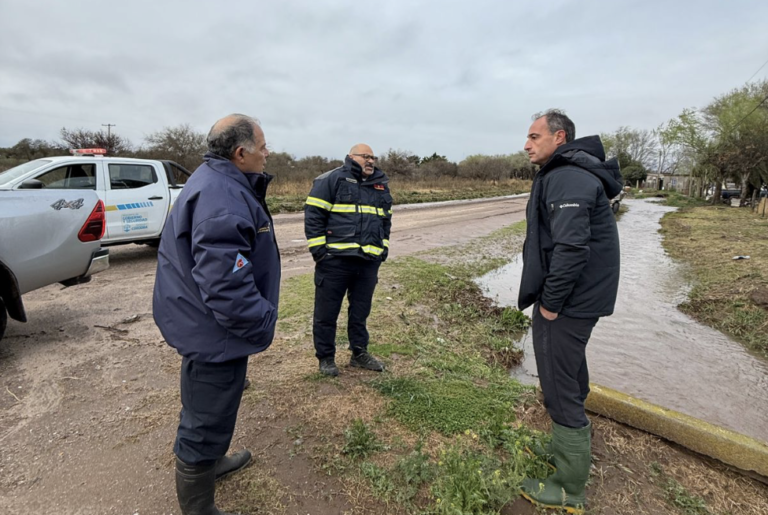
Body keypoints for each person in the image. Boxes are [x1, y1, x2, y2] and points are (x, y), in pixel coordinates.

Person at [153, 114, 280, 515]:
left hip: (204, 323)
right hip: (215, 329)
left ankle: (211, 462)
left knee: (210, 406)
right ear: (241, 153)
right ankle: (198, 507)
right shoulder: (222, 196)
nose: (267, 153)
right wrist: (261, 321)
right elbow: (225, 283)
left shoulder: (216, 180)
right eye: (262, 147)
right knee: (205, 419)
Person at [517, 109, 622, 513]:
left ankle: (568, 487)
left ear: (559, 137)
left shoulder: (566, 175)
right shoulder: (570, 171)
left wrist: (551, 305)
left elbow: (572, 249)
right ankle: (565, 448)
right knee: (571, 374)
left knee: (559, 385)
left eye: (534, 136)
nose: (526, 144)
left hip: (568, 303)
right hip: (582, 299)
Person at [304, 144, 392, 376]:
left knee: (361, 312)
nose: (370, 161)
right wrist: (320, 252)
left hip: (367, 262)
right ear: (351, 157)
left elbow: (386, 221)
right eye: (365, 156)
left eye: (373, 157)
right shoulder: (331, 180)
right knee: (326, 313)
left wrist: (383, 249)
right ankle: (326, 358)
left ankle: (359, 353)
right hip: (335, 262)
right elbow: (313, 216)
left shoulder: (381, 185)